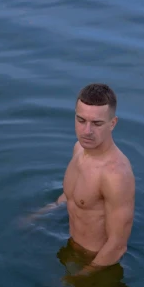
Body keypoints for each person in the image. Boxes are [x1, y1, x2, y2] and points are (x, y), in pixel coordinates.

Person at [30, 83, 135, 276]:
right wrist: (38, 216)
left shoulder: (115, 175)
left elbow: (117, 246)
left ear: (113, 123)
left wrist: (75, 280)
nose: (87, 131)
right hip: (71, 249)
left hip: (100, 266)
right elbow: (70, 197)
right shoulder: (79, 149)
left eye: (96, 123)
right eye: (81, 120)